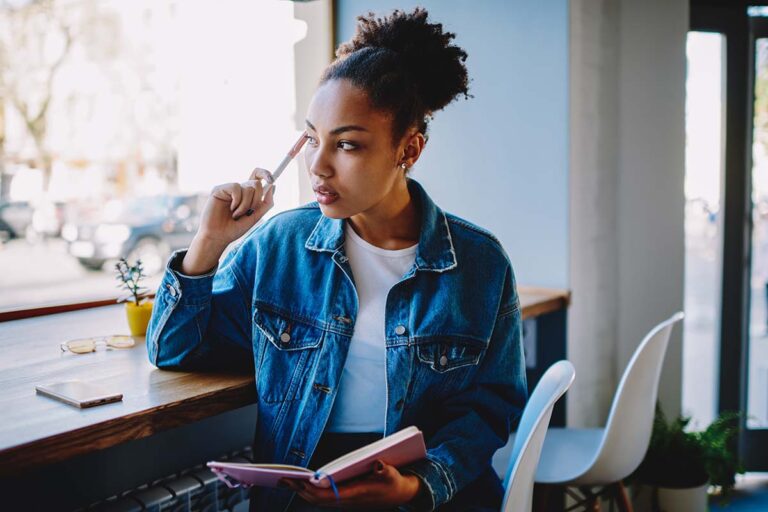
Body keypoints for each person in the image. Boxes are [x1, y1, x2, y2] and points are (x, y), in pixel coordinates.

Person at [147, 8, 527, 511]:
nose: (318, 165)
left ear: (408, 150)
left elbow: (489, 409)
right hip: (303, 491)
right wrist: (208, 245)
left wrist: (416, 487)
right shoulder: (279, 245)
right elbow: (174, 350)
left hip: (425, 492)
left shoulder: (479, 265)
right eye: (311, 138)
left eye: (347, 144)